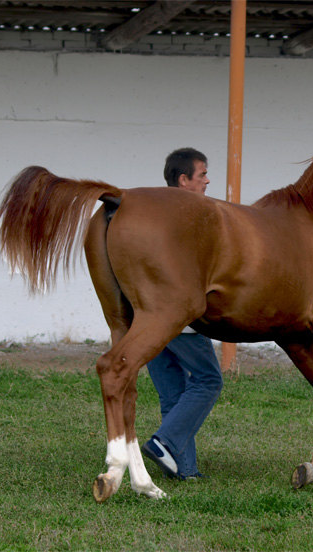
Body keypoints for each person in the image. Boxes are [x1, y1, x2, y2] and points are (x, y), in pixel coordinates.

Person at [141, 148, 224, 480]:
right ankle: (163, 441)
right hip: (179, 318)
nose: (207, 181)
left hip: (145, 318)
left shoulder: (149, 213)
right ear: (184, 180)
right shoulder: (190, 214)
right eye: (202, 175)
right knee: (208, 380)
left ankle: (185, 471)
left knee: (173, 393)